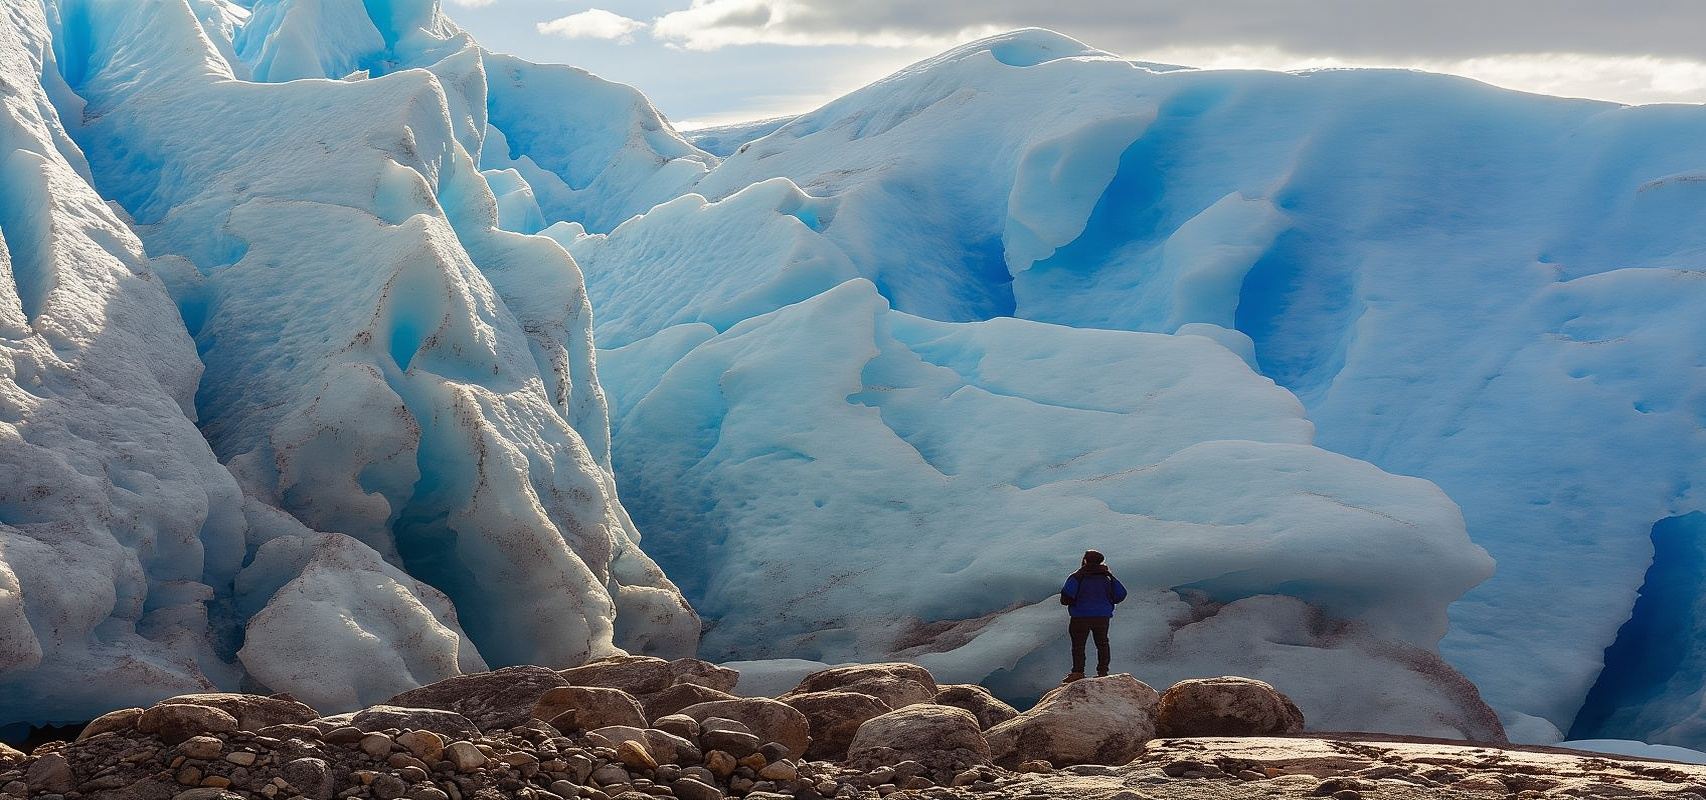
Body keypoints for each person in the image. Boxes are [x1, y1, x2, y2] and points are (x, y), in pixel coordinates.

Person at [1059, 549, 1127, 682]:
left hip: (1080, 616)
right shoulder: (1107, 577)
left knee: (1078, 645)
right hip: (1102, 616)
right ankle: (1103, 672)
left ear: (1085, 560)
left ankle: (1078, 672)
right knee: (1102, 643)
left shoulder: (1078, 576)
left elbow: (1066, 595)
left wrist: (1074, 602)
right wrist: (1107, 602)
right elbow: (1121, 594)